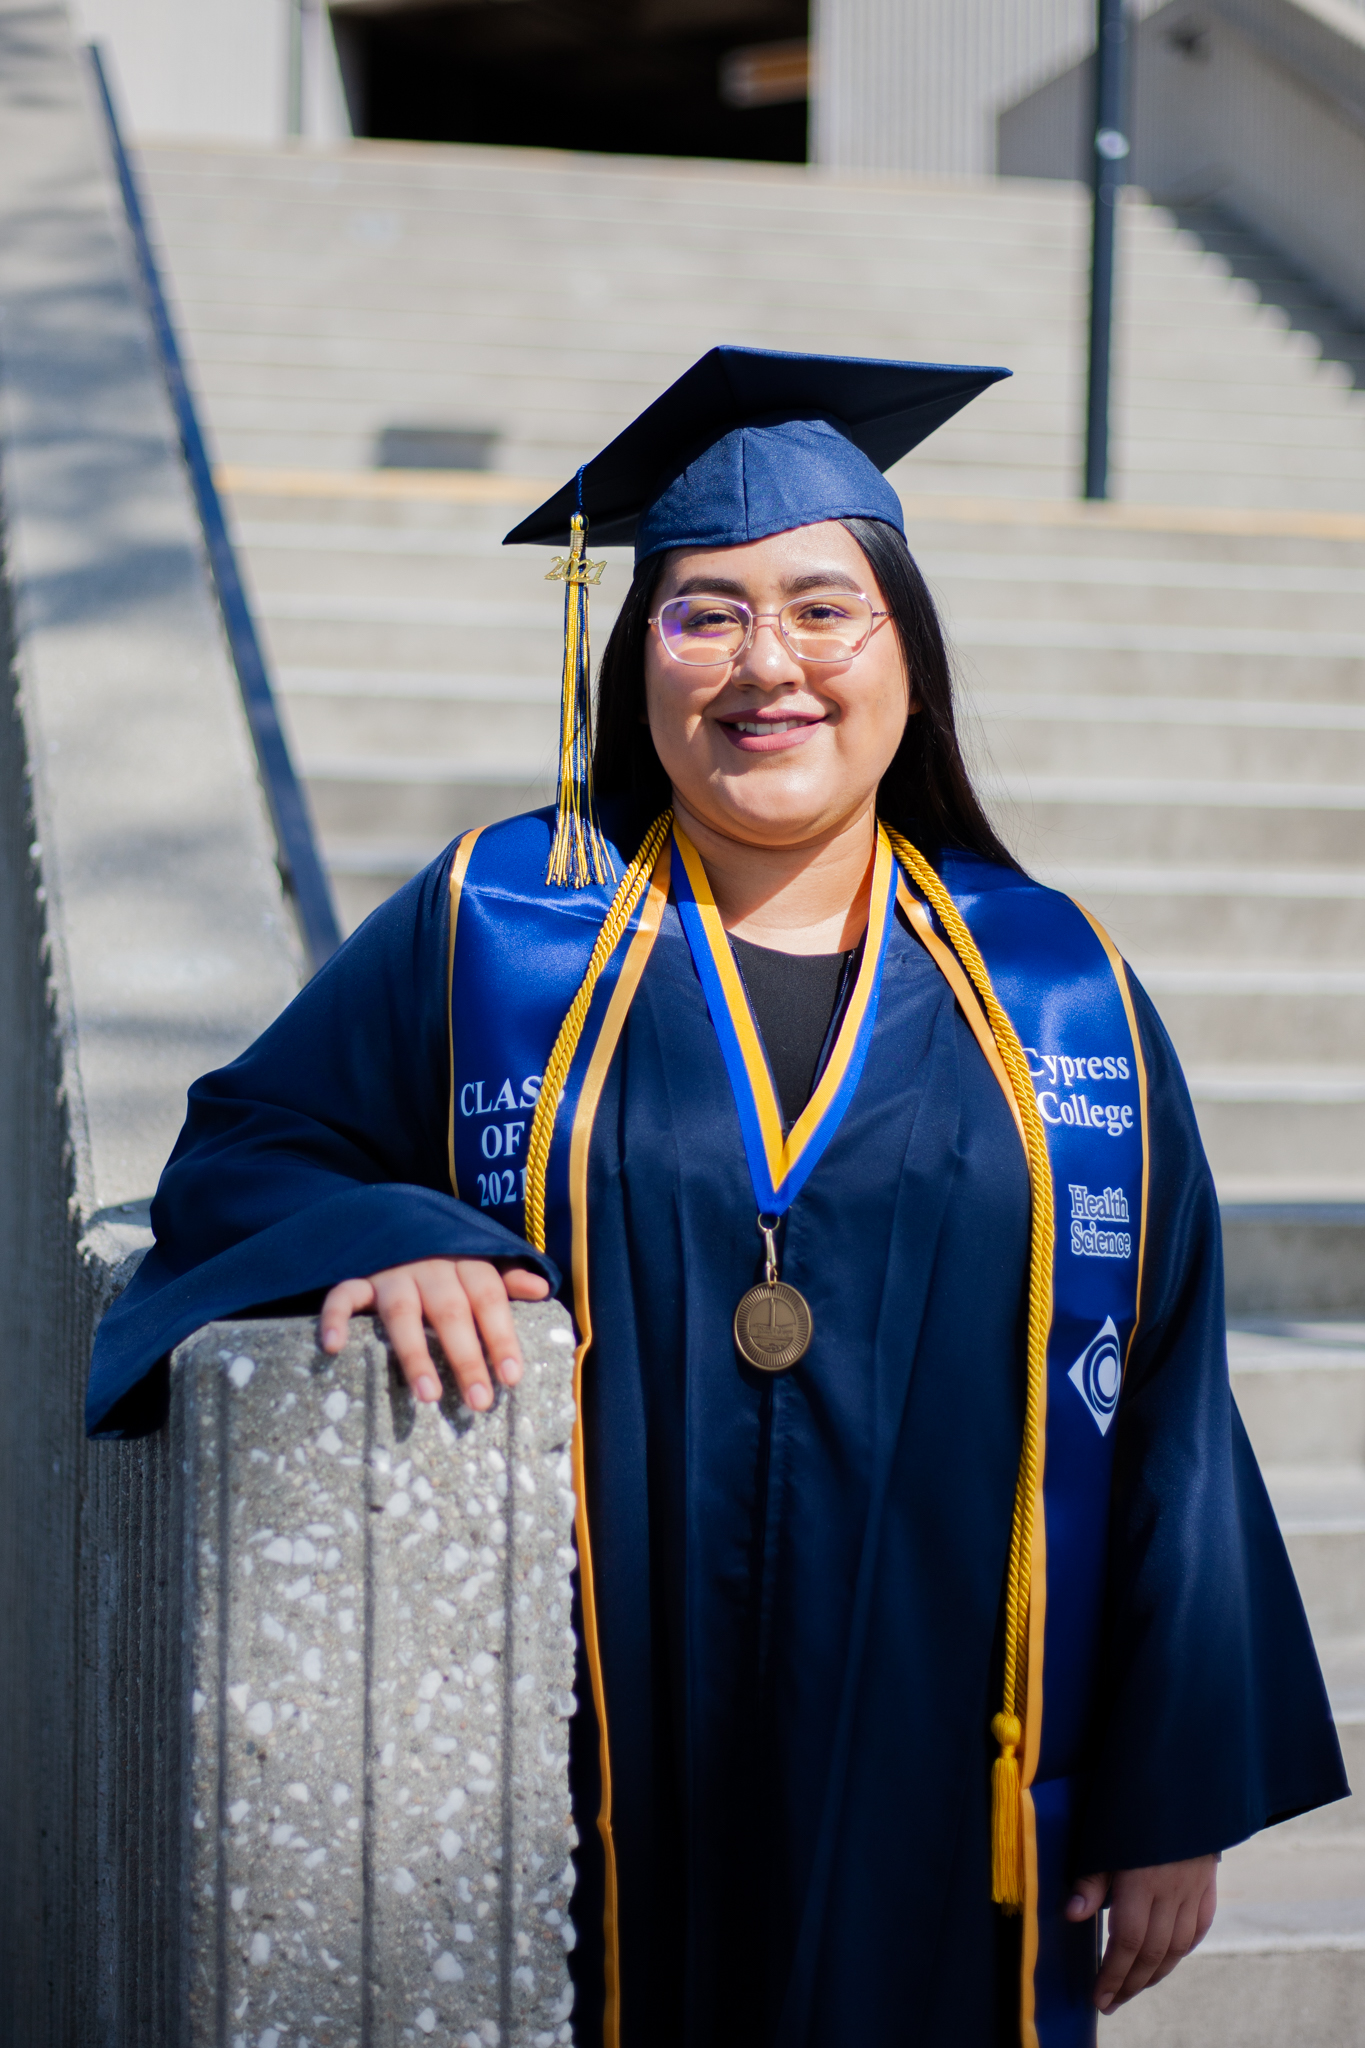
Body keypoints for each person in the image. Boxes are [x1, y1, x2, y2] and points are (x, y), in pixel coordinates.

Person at [88, 347, 1346, 2048]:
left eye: (826, 611)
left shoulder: (1062, 991)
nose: (770, 666)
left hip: (945, 1767)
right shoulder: (498, 932)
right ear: (633, 663)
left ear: (908, 657)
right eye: (706, 616)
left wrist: (1166, 1791)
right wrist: (399, 1231)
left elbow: (1168, 1392)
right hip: (582, 1758)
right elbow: (243, 1149)